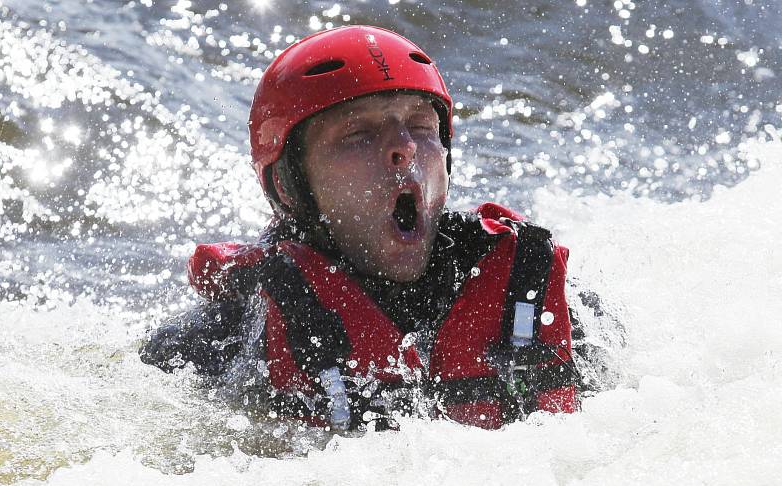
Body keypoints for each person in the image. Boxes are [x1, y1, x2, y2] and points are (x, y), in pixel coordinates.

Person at [141, 25, 580, 431]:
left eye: (421, 127)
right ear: (291, 186)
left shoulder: (530, 290)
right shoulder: (224, 339)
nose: (404, 148)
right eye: (358, 134)